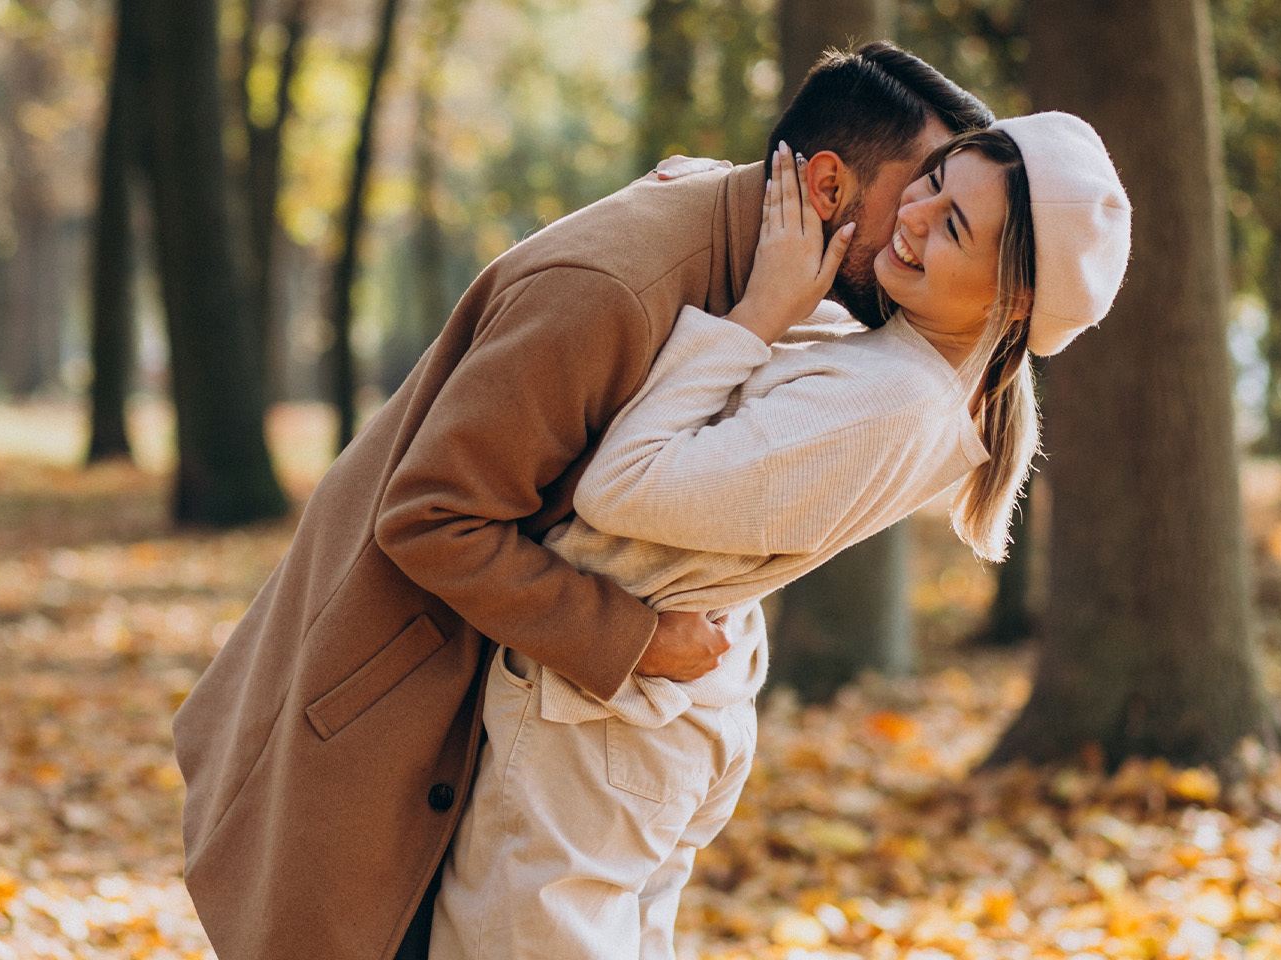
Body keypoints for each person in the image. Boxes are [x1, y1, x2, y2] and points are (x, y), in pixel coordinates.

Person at [171, 42, 991, 960]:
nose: (922, 223)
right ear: (829, 186)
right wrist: (635, 638)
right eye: (920, 190)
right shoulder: (612, 293)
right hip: (380, 720)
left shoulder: (758, 262)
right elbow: (432, 516)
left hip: (482, 713)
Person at [426, 111, 1131, 959]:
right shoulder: (891, 361)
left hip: (600, 724)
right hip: (642, 716)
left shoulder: (890, 400)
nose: (911, 216)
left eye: (952, 227)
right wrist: (699, 198)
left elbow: (624, 486)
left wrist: (759, 310)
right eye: (934, 181)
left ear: (1015, 297)